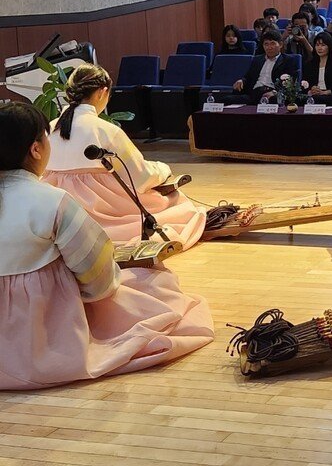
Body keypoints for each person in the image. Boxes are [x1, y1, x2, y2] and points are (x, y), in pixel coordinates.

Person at [0, 102, 214, 391]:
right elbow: (97, 274)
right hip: (38, 325)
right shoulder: (52, 201)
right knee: (155, 282)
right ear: (36, 149)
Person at [43, 65, 206, 248]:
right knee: (179, 204)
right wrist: (162, 169)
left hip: (56, 211)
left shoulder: (50, 127)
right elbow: (140, 177)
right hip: (103, 209)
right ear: (102, 92)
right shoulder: (106, 130)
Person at [230, 30, 299, 104]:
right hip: (254, 93)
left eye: (272, 43)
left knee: (274, 100)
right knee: (226, 99)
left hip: (272, 93)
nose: (269, 47)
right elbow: (248, 77)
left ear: (281, 44)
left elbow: (292, 83)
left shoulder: (289, 60)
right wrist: (242, 80)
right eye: (266, 44)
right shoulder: (257, 59)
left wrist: (275, 92)